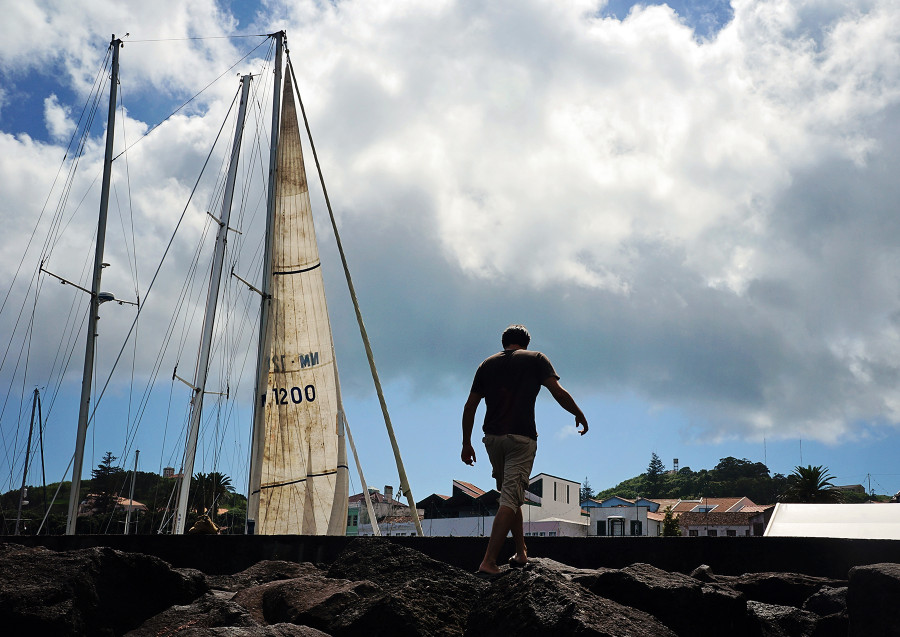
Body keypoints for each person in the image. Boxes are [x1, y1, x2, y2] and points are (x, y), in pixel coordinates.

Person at [461, 324, 588, 576]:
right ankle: (488, 561)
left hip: (492, 439)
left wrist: (466, 443)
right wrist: (578, 412)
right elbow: (557, 391)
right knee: (510, 498)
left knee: (512, 493)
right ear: (526, 343)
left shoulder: (486, 364)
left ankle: (521, 552)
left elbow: (470, 406)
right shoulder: (536, 359)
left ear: (503, 342)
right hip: (521, 439)